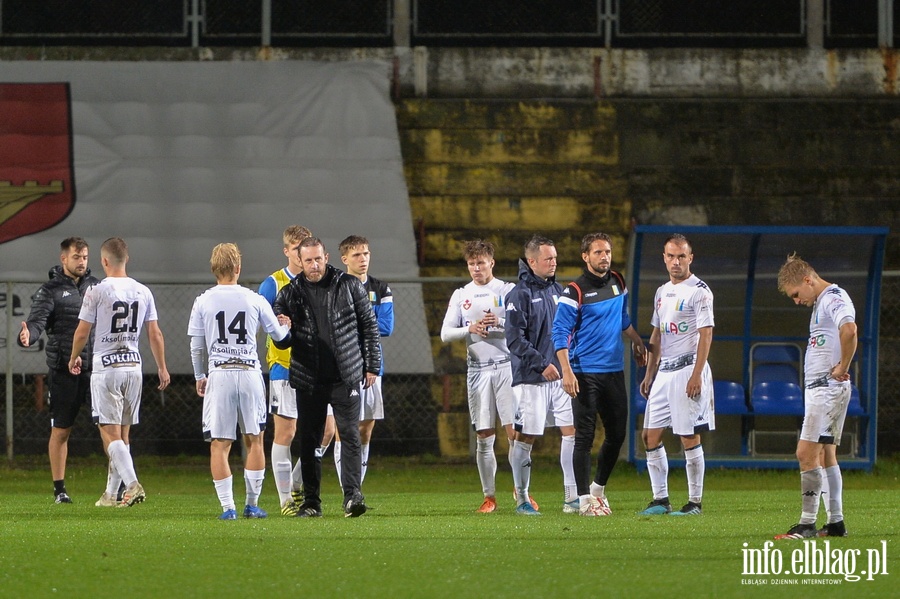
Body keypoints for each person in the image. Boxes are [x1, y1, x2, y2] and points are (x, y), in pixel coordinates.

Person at [273, 237, 381, 518]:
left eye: (318, 259)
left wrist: (372, 366)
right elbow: (281, 342)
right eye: (308, 260)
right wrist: (282, 328)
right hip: (309, 379)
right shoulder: (289, 294)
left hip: (345, 375)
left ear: (326, 256)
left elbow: (369, 326)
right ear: (299, 260)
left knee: (350, 436)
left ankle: (352, 497)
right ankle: (312, 503)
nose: (314, 265)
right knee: (308, 441)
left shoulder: (348, 285)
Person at [189, 243, 291, 520]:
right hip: (248, 372)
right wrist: (286, 325)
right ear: (238, 268)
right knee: (255, 439)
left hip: (220, 373)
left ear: (213, 269)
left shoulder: (203, 300)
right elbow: (280, 338)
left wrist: (200, 375)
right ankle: (251, 504)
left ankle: (228, 508)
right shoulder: (254, 299)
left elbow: (197, 347)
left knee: (219, 444)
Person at [68, 237, 170, 507]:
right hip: (134, 367)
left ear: (103, 261)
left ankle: (133, 484)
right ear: (127, 259)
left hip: (107, 367)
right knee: (123, 436)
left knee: (108, 432)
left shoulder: (97, 290)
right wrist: (161, 367)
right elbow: (155, 333)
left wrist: (74, 357)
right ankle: (111, 495)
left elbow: (82, 331)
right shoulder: (143, 291)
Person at [553, 233, 648, 516]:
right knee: (584, 437)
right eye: (598, 252)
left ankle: (598, 491)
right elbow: (559, 333)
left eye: (607, 251)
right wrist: (566, 371)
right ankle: (583, 501)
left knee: (618, 433)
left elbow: (621, 319)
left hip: (613, 371)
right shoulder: (574, 291)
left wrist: (637, 341)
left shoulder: (618, 281)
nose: (604, 256)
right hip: (584, 373)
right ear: (586, 256)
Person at [774, 253, 856, 540]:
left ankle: (807, 523)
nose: (797, 301)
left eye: (796, 294)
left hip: (826, 390)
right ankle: (836, 523)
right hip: (823, 390)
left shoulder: (833, 298)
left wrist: (843, 366)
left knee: (805, 453)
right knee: (825, 454)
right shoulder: (823, 301)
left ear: (808, 280)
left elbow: (850, 330)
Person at [18, 237, 100, 504]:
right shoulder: (50, 290)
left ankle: (119, 487)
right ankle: (60, 490)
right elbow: (37, 320)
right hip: (64, 370)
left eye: (85, 257)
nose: (82, 262)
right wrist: (29, 334)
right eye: (77, 257)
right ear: (64, 258)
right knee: (61, 430)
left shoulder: (97, 287)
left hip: (96, 369)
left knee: (110, 429)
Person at [639, 234, 715, 516]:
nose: (675, 261)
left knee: (688, 435)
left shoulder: (700, 291)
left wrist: (696, 374)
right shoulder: (661, 292)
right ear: (664, 257)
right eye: (671, 256)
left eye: (681, 256)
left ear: (690, 258)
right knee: (649, 435)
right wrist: (650, 373)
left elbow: (706, 334)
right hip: (664, 372)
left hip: (687, 369)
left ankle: (694, 503)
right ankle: (661, 500)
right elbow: (657, 335)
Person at [440, 240, 517, 513]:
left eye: (481, 263)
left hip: (507, 366)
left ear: (491, 263)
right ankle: (490, 497)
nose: (476, 268)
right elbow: (445, 334)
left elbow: (523, 327)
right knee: (484, 434)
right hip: (478, 369)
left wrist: (499, 323)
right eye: (471, 264)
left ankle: (523, 493)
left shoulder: (507, 290)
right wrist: (469, 328)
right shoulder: (461, 295)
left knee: (515, 433)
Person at [505, 235, 577, 516]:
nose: (553, 262)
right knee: (527, 437)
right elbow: (515, 339)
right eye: (548, 258)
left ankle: (571, 497)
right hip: (531, 379)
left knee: (571, 431)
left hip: (560, 376)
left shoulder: (559, 290)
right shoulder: (519, 294)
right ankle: (522, 498)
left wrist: (566, 365)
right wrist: (541, 364)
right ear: (532, 261)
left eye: (555, 258)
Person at [330, 235, 394, 487]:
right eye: (357, 255)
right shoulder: (335, 288)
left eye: (366, 253)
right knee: (342, 429)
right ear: (345, 259)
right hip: (341, 366)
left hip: (371, 366)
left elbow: (386, 327)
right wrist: (365, 324)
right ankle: (348, 488)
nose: (363, 259)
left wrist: (352, 323)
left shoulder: (380, 289)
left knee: (365, 429)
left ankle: (357, 488)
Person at [258, 225, 312, 516]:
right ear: (287, 251)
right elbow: (260, 323)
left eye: (304, 248)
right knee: (286, 431)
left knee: (326, 431)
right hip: (285, 367)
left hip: (315, 368)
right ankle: (285, 501)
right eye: (295, 249)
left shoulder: (317, 280)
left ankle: (296, 481)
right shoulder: (273, 283)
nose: (300, 254)